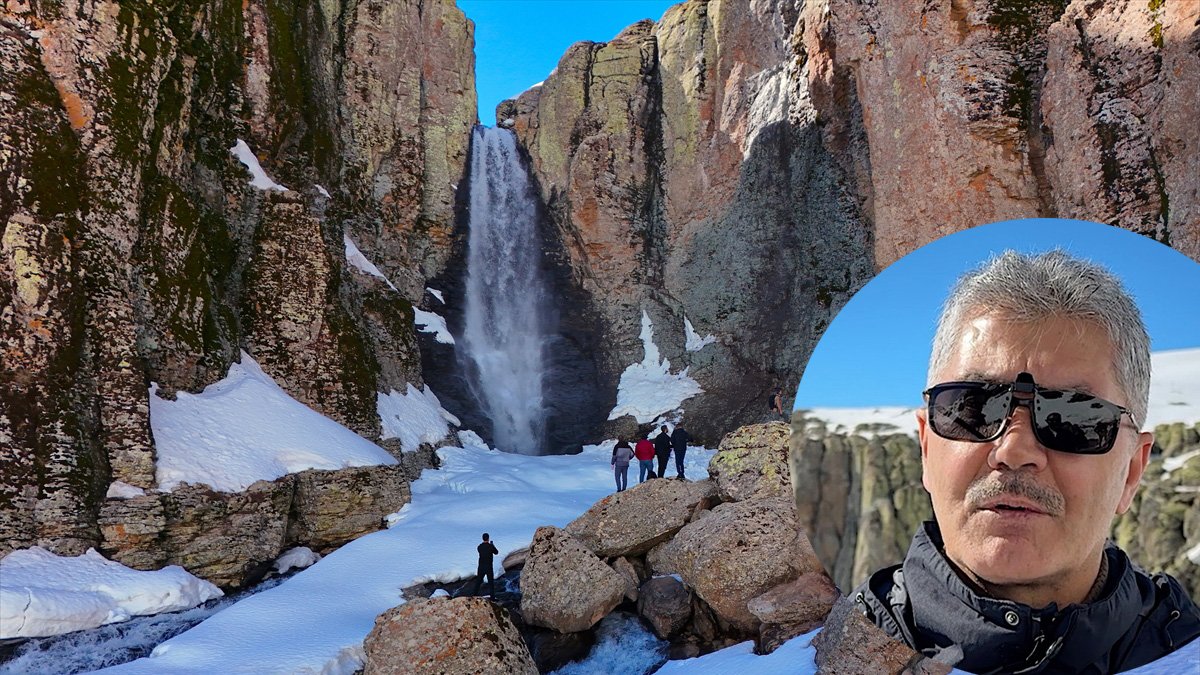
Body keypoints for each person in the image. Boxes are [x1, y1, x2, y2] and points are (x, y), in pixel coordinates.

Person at [851, 250, 1200, 673]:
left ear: (1131, 472)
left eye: (1072, 417)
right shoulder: (805, 653)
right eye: (973, 408)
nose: (1014, 451)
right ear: (926, 447)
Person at [468, 533, 500, 597]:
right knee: (491, 583)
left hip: (481, 567)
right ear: (488, 538)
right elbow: (496, 552)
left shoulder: (479, 547)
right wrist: (492, 545)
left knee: (478, 582)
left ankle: (474, 595)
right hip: (489, 567)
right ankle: (492, 597)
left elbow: (481, 550)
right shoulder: (490, 546)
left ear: (482, 538)